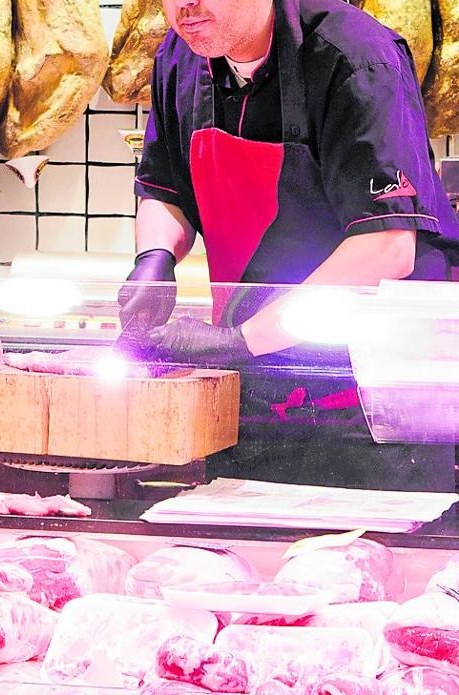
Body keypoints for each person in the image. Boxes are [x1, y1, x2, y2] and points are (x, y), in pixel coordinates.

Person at [119, 0, 459, 491]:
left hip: (369, 405)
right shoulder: (181, 55)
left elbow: (385, 246)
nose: (184, 5)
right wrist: (155, 257)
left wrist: (240, 342)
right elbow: (163, 189)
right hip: (251, 392)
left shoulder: (355, 57)